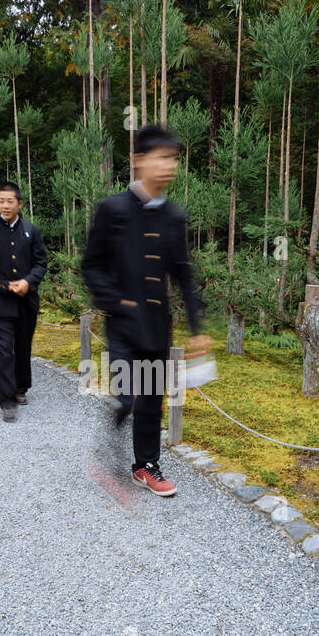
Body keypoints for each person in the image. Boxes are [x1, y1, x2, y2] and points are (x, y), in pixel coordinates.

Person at [80, 123, 209, 497]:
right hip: (122, 324)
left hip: (156, 325)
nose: (169, 166)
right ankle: (107, 448)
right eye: (162, 157)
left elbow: (183, 274)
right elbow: (91, 265)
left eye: (174, 159)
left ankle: (145, 467)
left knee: (152, 399)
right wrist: (116, 301)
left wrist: (197, 328)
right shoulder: (112, 208)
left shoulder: (174, 215)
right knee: (126, 394)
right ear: (139, 160)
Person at [0, 182, 47, 422]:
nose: (5, 205)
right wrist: (5, 285)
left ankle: (21, 388)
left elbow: (41, 263)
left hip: (27, 299)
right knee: (5, 349)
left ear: (20, 204)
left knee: (23, 346)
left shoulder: (32, 231)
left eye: (10, 201)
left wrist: (27, 281)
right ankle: (6, 400)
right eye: (1, 201)